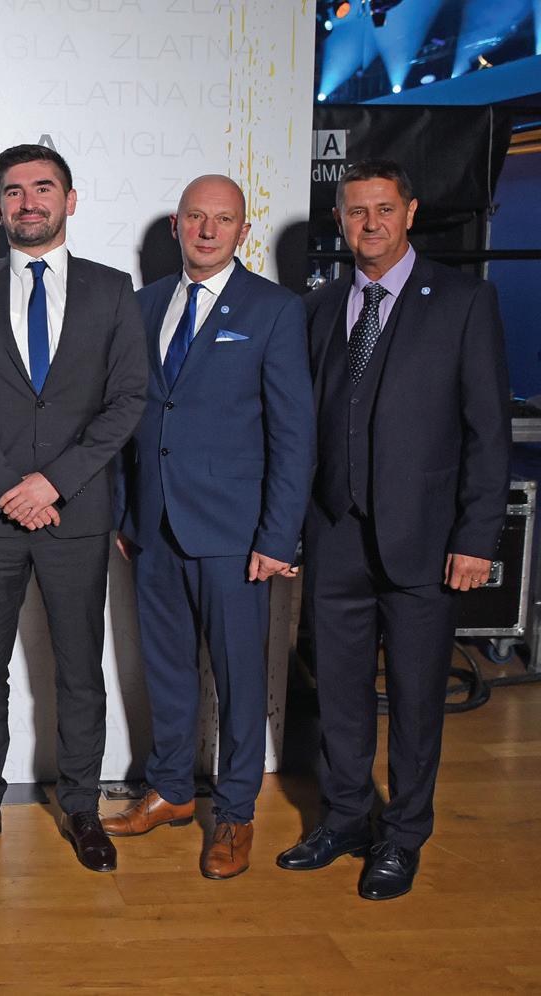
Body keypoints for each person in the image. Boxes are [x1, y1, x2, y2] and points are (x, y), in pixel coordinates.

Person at [276, 159, 510, 900]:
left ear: (410, 213)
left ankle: (403, 836)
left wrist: (475, 538)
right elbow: (304, 427)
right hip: (335, 533)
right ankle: (346, 818)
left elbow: (488, 432)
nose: (369, 223)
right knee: (340, 694)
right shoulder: (319, 307)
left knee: (414, 698)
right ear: (340, 221)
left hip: (428, 540)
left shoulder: (464, 301)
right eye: (356, 211)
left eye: (383, 209)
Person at [0, 144, 147, 872]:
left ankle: (82, 806)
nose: (29, 202)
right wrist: (7, 487)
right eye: (14, 192)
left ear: (69, 200)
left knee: (81, 668)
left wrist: (53, 483)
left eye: (43, 188)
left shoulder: (113, 290)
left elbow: (127, 401)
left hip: (75, 512)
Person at [103, 175, 315, 879]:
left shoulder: (275, 310)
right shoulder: (144, 305)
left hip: (235, 534)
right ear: (176, 226)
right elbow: (128, 417)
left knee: (239, 679)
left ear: (242, 231)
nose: (206, 230)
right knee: (165, 668)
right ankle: (170, 789)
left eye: (222, 220)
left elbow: (293, 434)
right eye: (195, 217)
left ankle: (236, 813)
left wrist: (277, 537)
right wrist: (126, 511)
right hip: (153, 525)